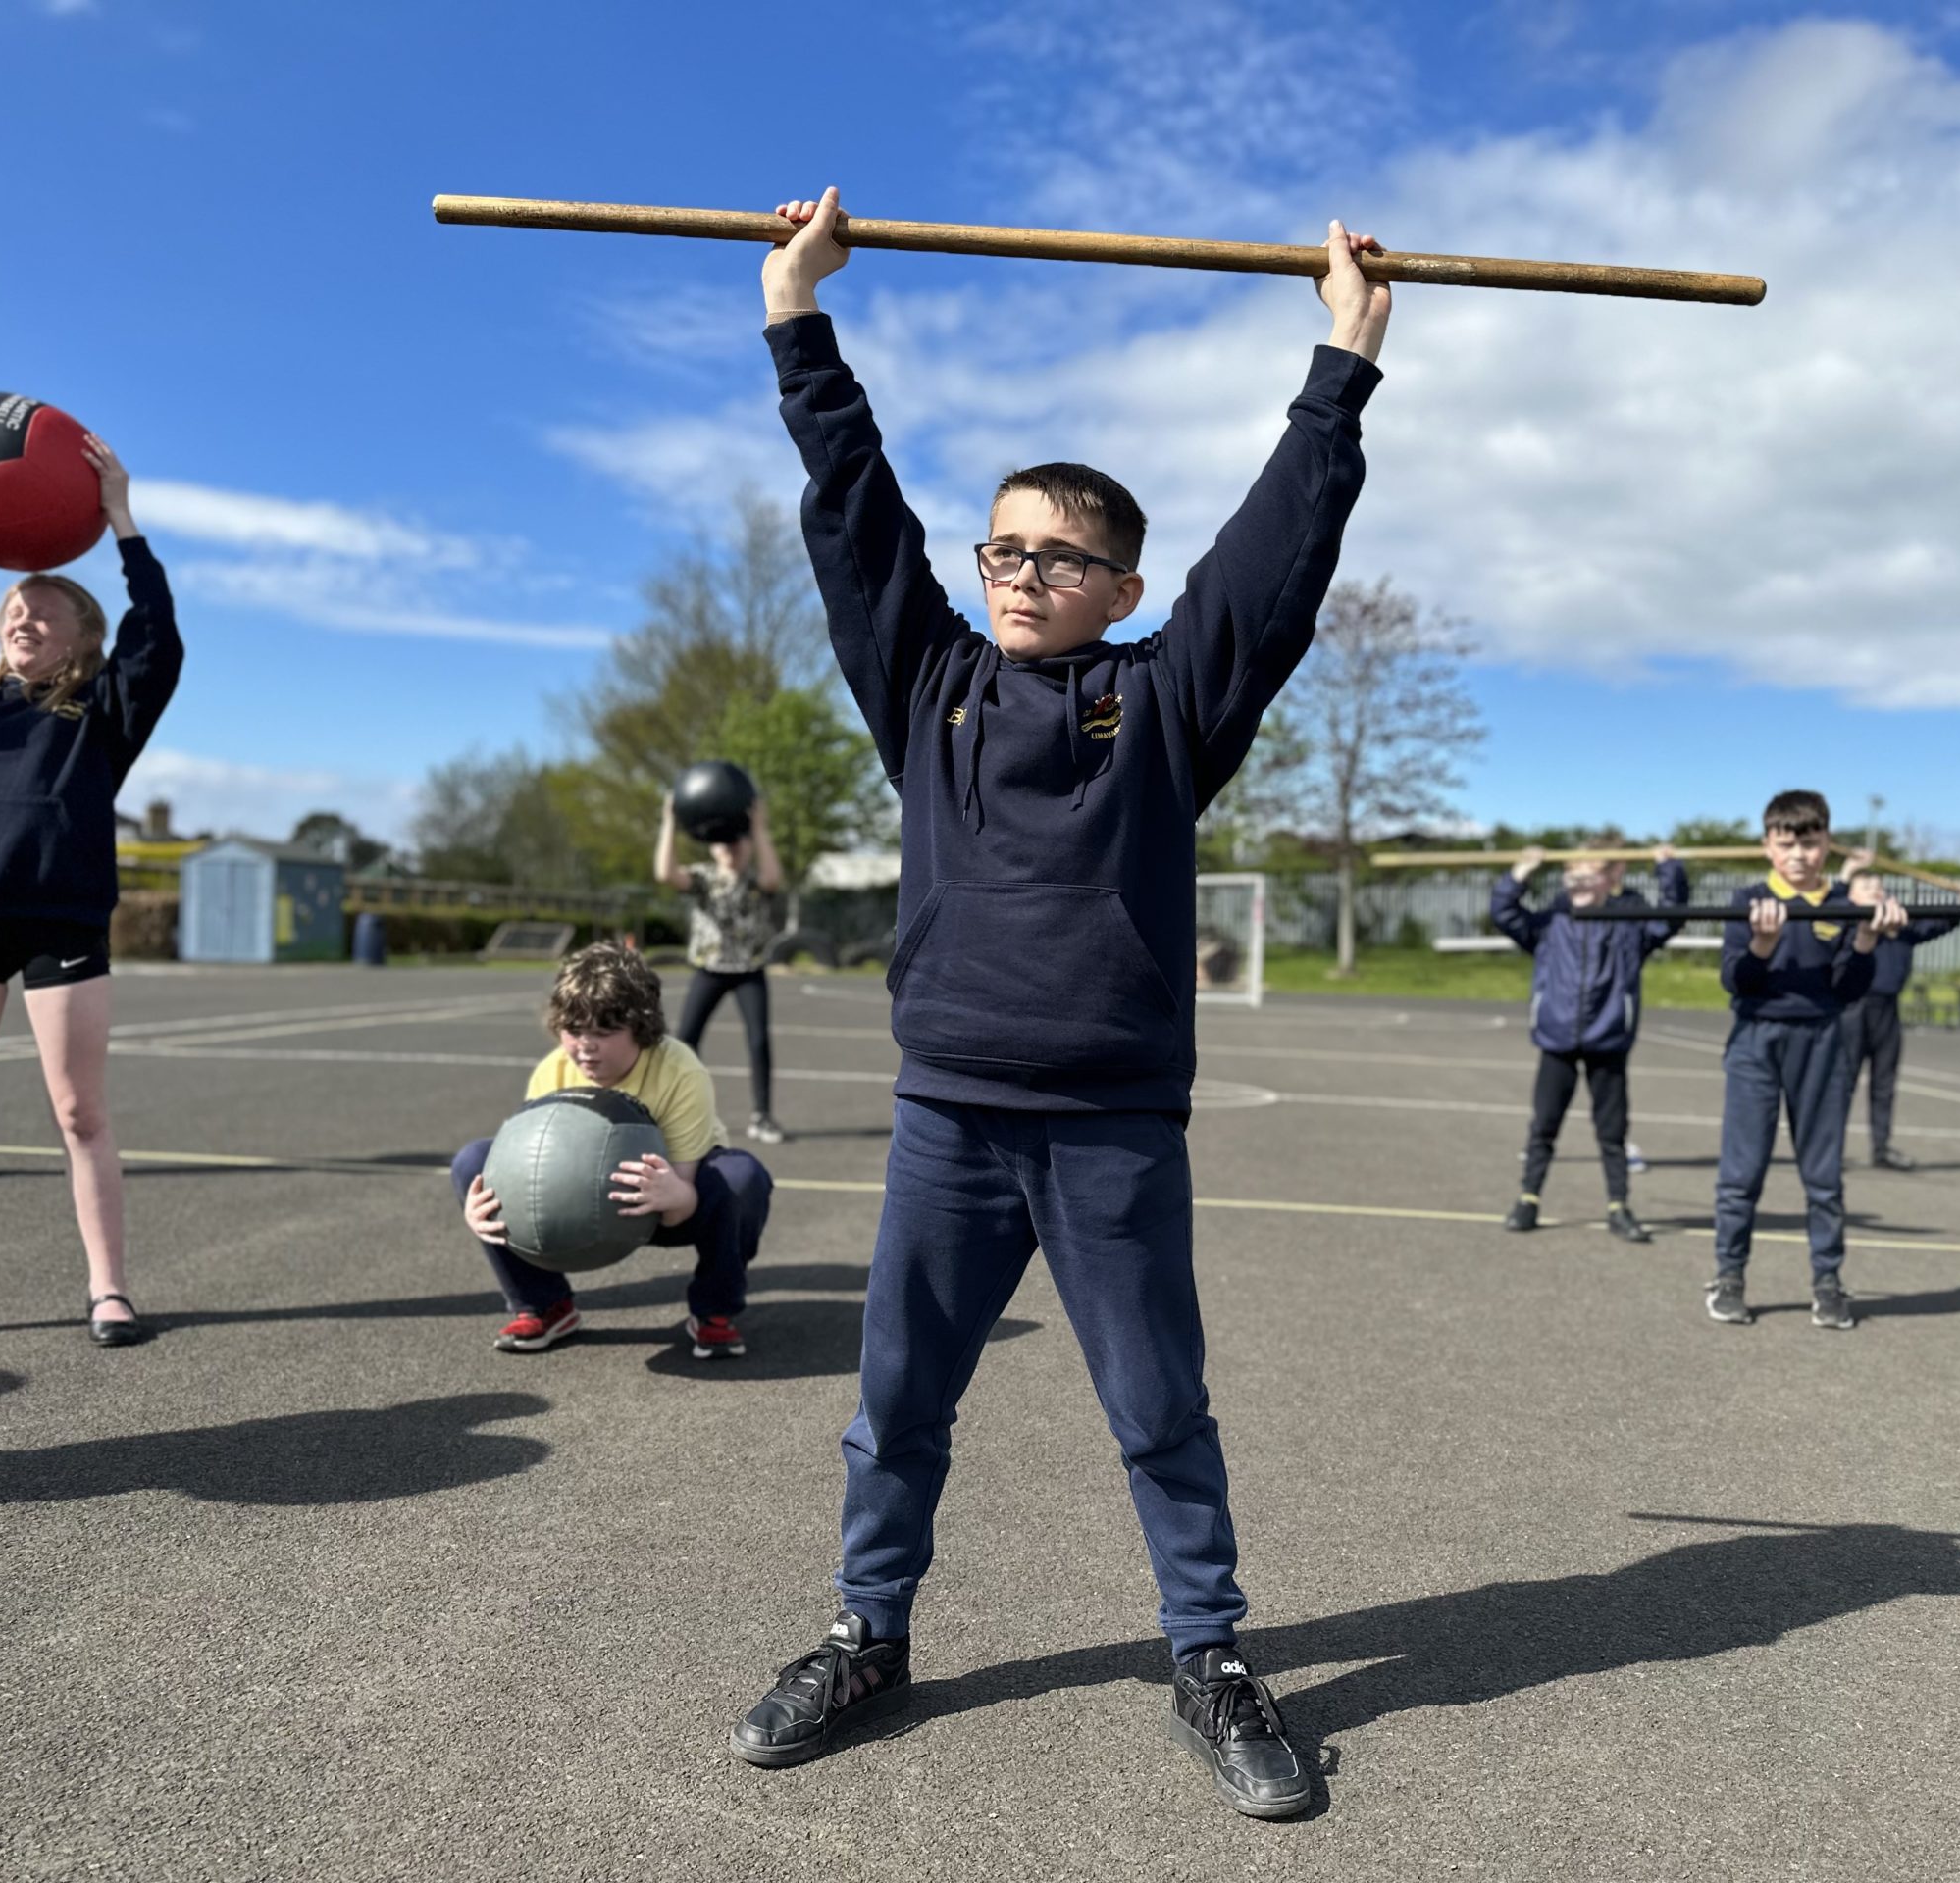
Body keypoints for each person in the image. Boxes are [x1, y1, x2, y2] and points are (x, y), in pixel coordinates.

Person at [727, 186, 1389, 1820]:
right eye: (1001, 548)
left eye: (1057, 556)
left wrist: (1344, 359)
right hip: (950, 1114)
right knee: (896, 1408)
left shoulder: (1166, 705)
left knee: (1158, 1408)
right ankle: (865, 1633)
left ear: (1120, 581)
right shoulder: (928, 684)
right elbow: (851, 511)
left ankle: (1212, 1658)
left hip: (1107, 1127)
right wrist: (797, 320)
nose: (1020, 574)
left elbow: (1279, 561)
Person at [0, 425, 181, 1348]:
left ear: (83, 636)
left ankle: (109, 1289)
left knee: (79, 1111)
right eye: (13, 609)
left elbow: (157, 637)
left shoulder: (103, 714)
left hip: (63, 924)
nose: (23, 618)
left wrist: (123, 521)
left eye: (46, 609)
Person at [452, 941, 773, 1359]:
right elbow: (522, 1173)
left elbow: (679, 1203)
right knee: (473, 1164)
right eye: (574, 1030)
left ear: (641, 1028)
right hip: (575, 1206)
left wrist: (678, 1197)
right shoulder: (553, 1073)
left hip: (669, 1202)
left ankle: (714, 1310)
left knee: (741, 1178)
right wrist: (487, 1212)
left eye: (604, 1032)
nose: (586, 1046)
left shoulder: (680, 1071)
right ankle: (545, 1305)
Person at [1708, 791, 1904, 1333]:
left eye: (1810, 844)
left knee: (1822, 1174)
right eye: (1787, 844)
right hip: (1756, 1039)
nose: (1799, 855)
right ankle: (1728, 1276)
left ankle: (1827, 1282)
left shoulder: (1843, 903)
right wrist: (1763, 944)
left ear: (1826, 845)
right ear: (1768, 847)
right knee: (1741, 1171)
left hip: (1822, 1041)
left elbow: (1848, 988)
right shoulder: (1746, 900)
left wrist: (1866, 937)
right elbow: (1736, 980)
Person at [1490, 840, 1688, 1240]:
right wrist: (1518, 876)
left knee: (1612, 1132)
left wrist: (1669, 871)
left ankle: (1619, 1207)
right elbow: (1504, 913)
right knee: (1544, 1126)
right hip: (1557, 1039)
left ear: (1610, 878)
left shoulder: (1630, 924)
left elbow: (1672, 915)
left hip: (1608, 1039)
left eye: (1588, 873)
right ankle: (1528, 1199)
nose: (1578, 881)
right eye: (1571, 874)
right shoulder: (1549, 923)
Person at [655, 789, 787, 1144]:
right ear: (712, 847)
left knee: (759, 1041)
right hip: (710, 970)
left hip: (749, 970)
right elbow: (665, 873)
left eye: (738, 842)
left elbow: (774, 877)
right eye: (723, 843)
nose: (731, 848)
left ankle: (762, 1117)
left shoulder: (755, 882)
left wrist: (758, 828)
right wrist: (669, 820)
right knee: (686, 1040)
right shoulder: (702, 879)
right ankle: (672, 1113)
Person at [1834, 849, 1960, 1171]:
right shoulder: (1846, 923)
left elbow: (1937, 925)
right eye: (1867, 888)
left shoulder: (1900, 929)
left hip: (1887, 1011)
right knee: (1842, 1080)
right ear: (1851, 896)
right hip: (1852, 1009)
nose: (1876, 892)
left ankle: (1882, 1147)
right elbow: (1830, 905)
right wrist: (1847, 872)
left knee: (1884, 1082)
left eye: (1880, 887)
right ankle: (1829, 1148)